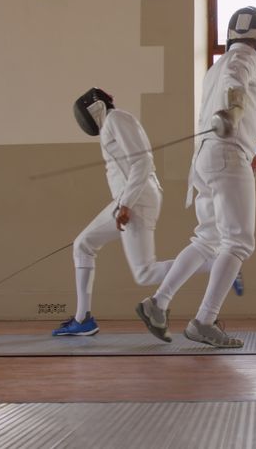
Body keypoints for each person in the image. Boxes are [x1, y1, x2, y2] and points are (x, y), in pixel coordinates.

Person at [136, 6, 256, 348]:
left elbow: (224, 98)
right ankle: (204, 321)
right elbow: (235, 86)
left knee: (207, 238)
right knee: (238, 242)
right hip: (225, 155)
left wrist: (244, 146)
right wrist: (232, 112)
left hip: (207, 157)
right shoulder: (245, 56)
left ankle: (158, 303)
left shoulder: (215, 66)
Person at [51, 88, 172, 336]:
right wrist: (123, 202)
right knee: (83, 244)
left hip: (136, 199)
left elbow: (142, 162)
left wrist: (126, 203)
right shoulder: (111, 125)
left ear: (93, 107)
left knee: (145, 272)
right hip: (129, 199)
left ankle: (217, 265)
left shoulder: (117, 119)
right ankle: (83, 318)